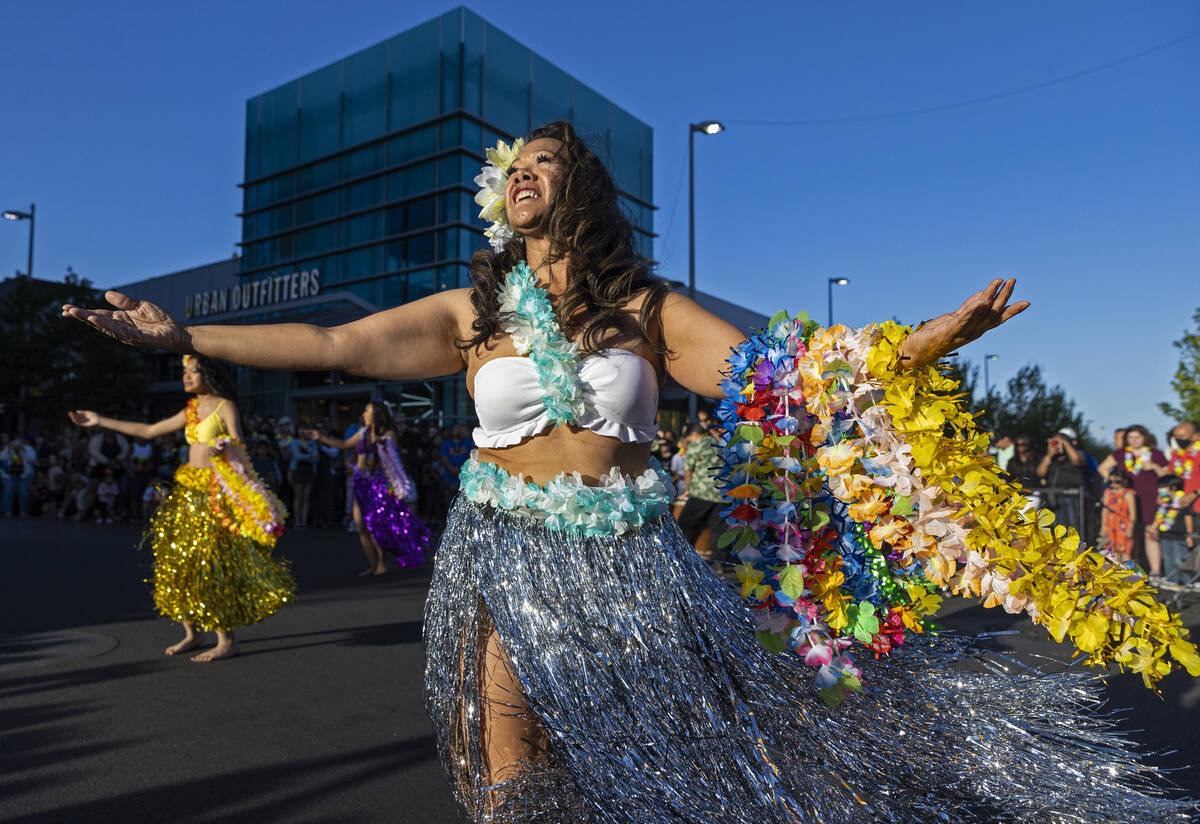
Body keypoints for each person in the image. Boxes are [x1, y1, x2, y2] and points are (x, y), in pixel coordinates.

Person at [63, 122, 1195, 821]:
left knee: (656, 756)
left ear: (579, 192)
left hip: (636, 558)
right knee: (507, 751)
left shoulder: (645, 311)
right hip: (504, 552)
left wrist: (920, 345)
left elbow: (782, 367)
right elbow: (329, 344)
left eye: (544, 161)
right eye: (513, 161)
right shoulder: (472, 312)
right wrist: (184, 340)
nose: (521, 171)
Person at [68, 355, 293, 662]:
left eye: (193, 371)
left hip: (214, 494)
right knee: (177, 561)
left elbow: (240, 443)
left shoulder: (224, 405)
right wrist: (99, 420)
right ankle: (192, 633)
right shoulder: (191, 409)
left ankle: (227, 640)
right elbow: (149, 431)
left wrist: (222, 446)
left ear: (209, 373)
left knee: (209, 564)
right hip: (188, 493)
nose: (186, 376)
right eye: (184, 372)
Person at [307, 401, 428, 575]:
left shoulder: (388, 434)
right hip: (360, 481)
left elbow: (390, 456)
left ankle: (382, 563)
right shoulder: (363, 432)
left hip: (377, 483)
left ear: (376, 415)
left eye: (367, 411)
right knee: (360, 524)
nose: (363, 414)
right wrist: (320, 438)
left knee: (375, 525)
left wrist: (380, 444)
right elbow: (343, 444)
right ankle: (373, 564)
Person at [1097, 425, 1170, 577]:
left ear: (1145, 438)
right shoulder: (1121, 453)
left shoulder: (1155, 454)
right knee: (1129, 539)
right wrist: (1117, 484)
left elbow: (1168, 475)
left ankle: (1155, 572)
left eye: (1137, 437)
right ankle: (1131, 576)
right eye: (1130, 437)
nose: (1134, 440)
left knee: (1151, 535)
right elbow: (1102, 468)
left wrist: (1154, 467)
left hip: (1150, 499)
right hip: (1127, 501)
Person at [677, 422, 728, 569]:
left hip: (702, 491)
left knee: (685, 525)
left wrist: (687, 489)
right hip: (723, 493)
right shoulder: (723, 444)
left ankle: (682, 557)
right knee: (718, 530)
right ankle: (720, 564)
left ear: (694, 435)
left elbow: (688, 471)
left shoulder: (697, 445)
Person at [1036, 426, 1094, 533]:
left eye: (1063, 440)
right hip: (1052, 499)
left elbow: (1077, 460)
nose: (1059, 443)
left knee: (1071, 531)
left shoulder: (1079, 454)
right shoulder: (1052, 458)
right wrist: (1050, 453)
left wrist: (1065, 443)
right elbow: (1040, 472)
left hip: (1072, 499)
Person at [1154, 474, 1196, 586]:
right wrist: (1155, 529)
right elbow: (1160, 517)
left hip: (1180, 537)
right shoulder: (1165, 502)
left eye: (1163, 487)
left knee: (1180, 560)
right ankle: (1172, 582)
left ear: (1173, 488)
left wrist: (1189, 535)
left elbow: (1188, 518)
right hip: (1166, 536)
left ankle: (1187, 582)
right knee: (1168, 560)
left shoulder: (1182, 502)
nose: (1160, 490)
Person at [1099, 471, 1138, 563]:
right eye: (1110, 482)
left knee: (1126, 552)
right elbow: (1105, 510)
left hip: (1123, 525)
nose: (1114, 484)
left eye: (1117, 482)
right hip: (1111, 525)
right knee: (1112, 551)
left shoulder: (1128, 494)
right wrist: (1103, 526)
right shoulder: (1108, 492)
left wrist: (1130, 528)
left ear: (1124, 481)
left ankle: (1129, 574)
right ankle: (1115, 574)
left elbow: (1133, 514)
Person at [1, 435, 38, 516]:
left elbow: (33, 459)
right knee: (8, 493)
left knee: (23, 493)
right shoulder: (8, 448)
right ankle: (7, 511)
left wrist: (23, 451)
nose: (17, 443)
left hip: (24, 475)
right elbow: (2, 458)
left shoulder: (28, 448)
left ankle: (23, 511)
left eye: (20, 441)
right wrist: (9, 449)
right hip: (9, 475)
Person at [288, 429, 318, 528]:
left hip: (309, 470)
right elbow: (297, 457)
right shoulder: (294, 442)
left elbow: (316, 458)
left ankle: (304, 520)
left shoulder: (313, 443)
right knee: (298, 496)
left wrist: (305, 456)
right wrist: (310, 456)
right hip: (298, 470)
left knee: (306, 496)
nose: (303, 432)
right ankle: (297, 520)